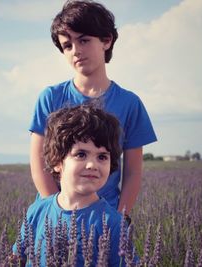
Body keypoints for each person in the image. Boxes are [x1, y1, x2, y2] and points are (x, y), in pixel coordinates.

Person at [29, 0, 157, 220]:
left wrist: (120, 216)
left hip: (105, 216)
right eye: (67, 45)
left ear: (106, 41)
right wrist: (57, 212)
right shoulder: (50, 97)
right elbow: (38, 161)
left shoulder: (130, 103)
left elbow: (133, 172)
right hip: (51, 213)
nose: (76, 51)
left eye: (84, 40)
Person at [14, 104, 128, 266]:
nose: (92, 165)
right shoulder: (37, 211)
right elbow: (17, 258)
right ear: (57, 162)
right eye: (81, 154)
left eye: (102, 157)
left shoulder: (113, 223)